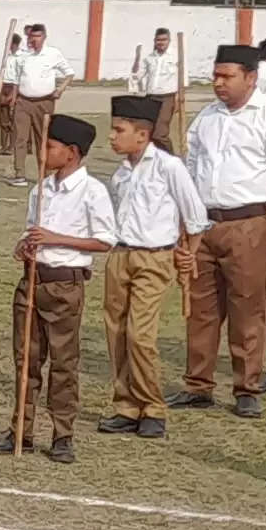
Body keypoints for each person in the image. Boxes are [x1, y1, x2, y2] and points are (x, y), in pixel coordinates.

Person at [173, 46, 266, 416]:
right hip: (204, 224)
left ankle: (246, 387)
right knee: (201, 308)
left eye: (227, 76)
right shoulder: (206, 117)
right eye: (216, 75)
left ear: (251, 78)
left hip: (249, 224)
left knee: (247, 308)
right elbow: (190, 173)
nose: (218, 83)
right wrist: (184, 226)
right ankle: (198, 384)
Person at [91, 94, 206, 440]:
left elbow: (195, 217)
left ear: (142, 134)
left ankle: (152, 406)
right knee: (118, 332)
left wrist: (188, 253)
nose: (111, 137)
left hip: (155, 256)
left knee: (141, 335)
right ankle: (126, 405)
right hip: (120, 255)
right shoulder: (120, 174)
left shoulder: (169, 167)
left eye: (118, 130)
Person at [0, 113, 111, 462]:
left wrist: (56, 239)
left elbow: (105, 240)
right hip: (33, 279)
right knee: (26, 361)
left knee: (63, 363)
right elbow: (31, 229)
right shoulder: (41, 189)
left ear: (72, 153)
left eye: (49, 146)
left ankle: (63, 434)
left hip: (65, 285)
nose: (42, 153)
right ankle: (21, 429)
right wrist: (25, 246)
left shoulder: (92, 191)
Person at [0, 20, 67, 166]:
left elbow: (69, 73)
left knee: (41, 139)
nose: (34, 40)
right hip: (23, 102)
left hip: (44, 102)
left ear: (44, 37)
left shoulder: (53, 54)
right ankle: (19, 173)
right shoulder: (23, 57)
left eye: (38, 36)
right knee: (20, 138)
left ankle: (44, 172)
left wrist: (60, 89)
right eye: (32, 36)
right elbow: (16, 81)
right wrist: (13, 100)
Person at [126, 25, 188, 144]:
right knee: (147, 132)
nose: (161, 42)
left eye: (164, 40)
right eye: (158, 40)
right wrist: (137, 58)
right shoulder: (150, 57)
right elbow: (137, 75)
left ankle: (169, 159)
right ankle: (152, 159)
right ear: (155, 41)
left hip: (167, 97)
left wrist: (179, 99)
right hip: (150, 97)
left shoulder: (176, 55)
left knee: (160, 133)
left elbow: (183, 79)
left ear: (169, 40)